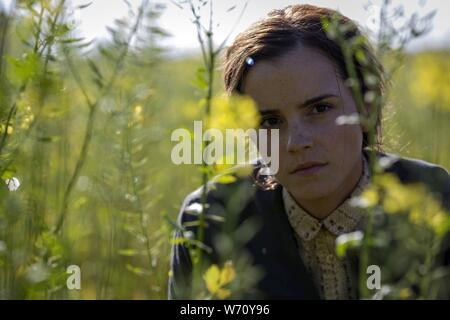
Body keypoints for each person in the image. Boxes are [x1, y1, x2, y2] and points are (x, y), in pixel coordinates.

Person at [168, 4, 450, 300]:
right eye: (270, 121)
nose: (296, 142)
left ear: (367, 104)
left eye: (320, 109)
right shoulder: (207, 221)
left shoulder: (438, 200)